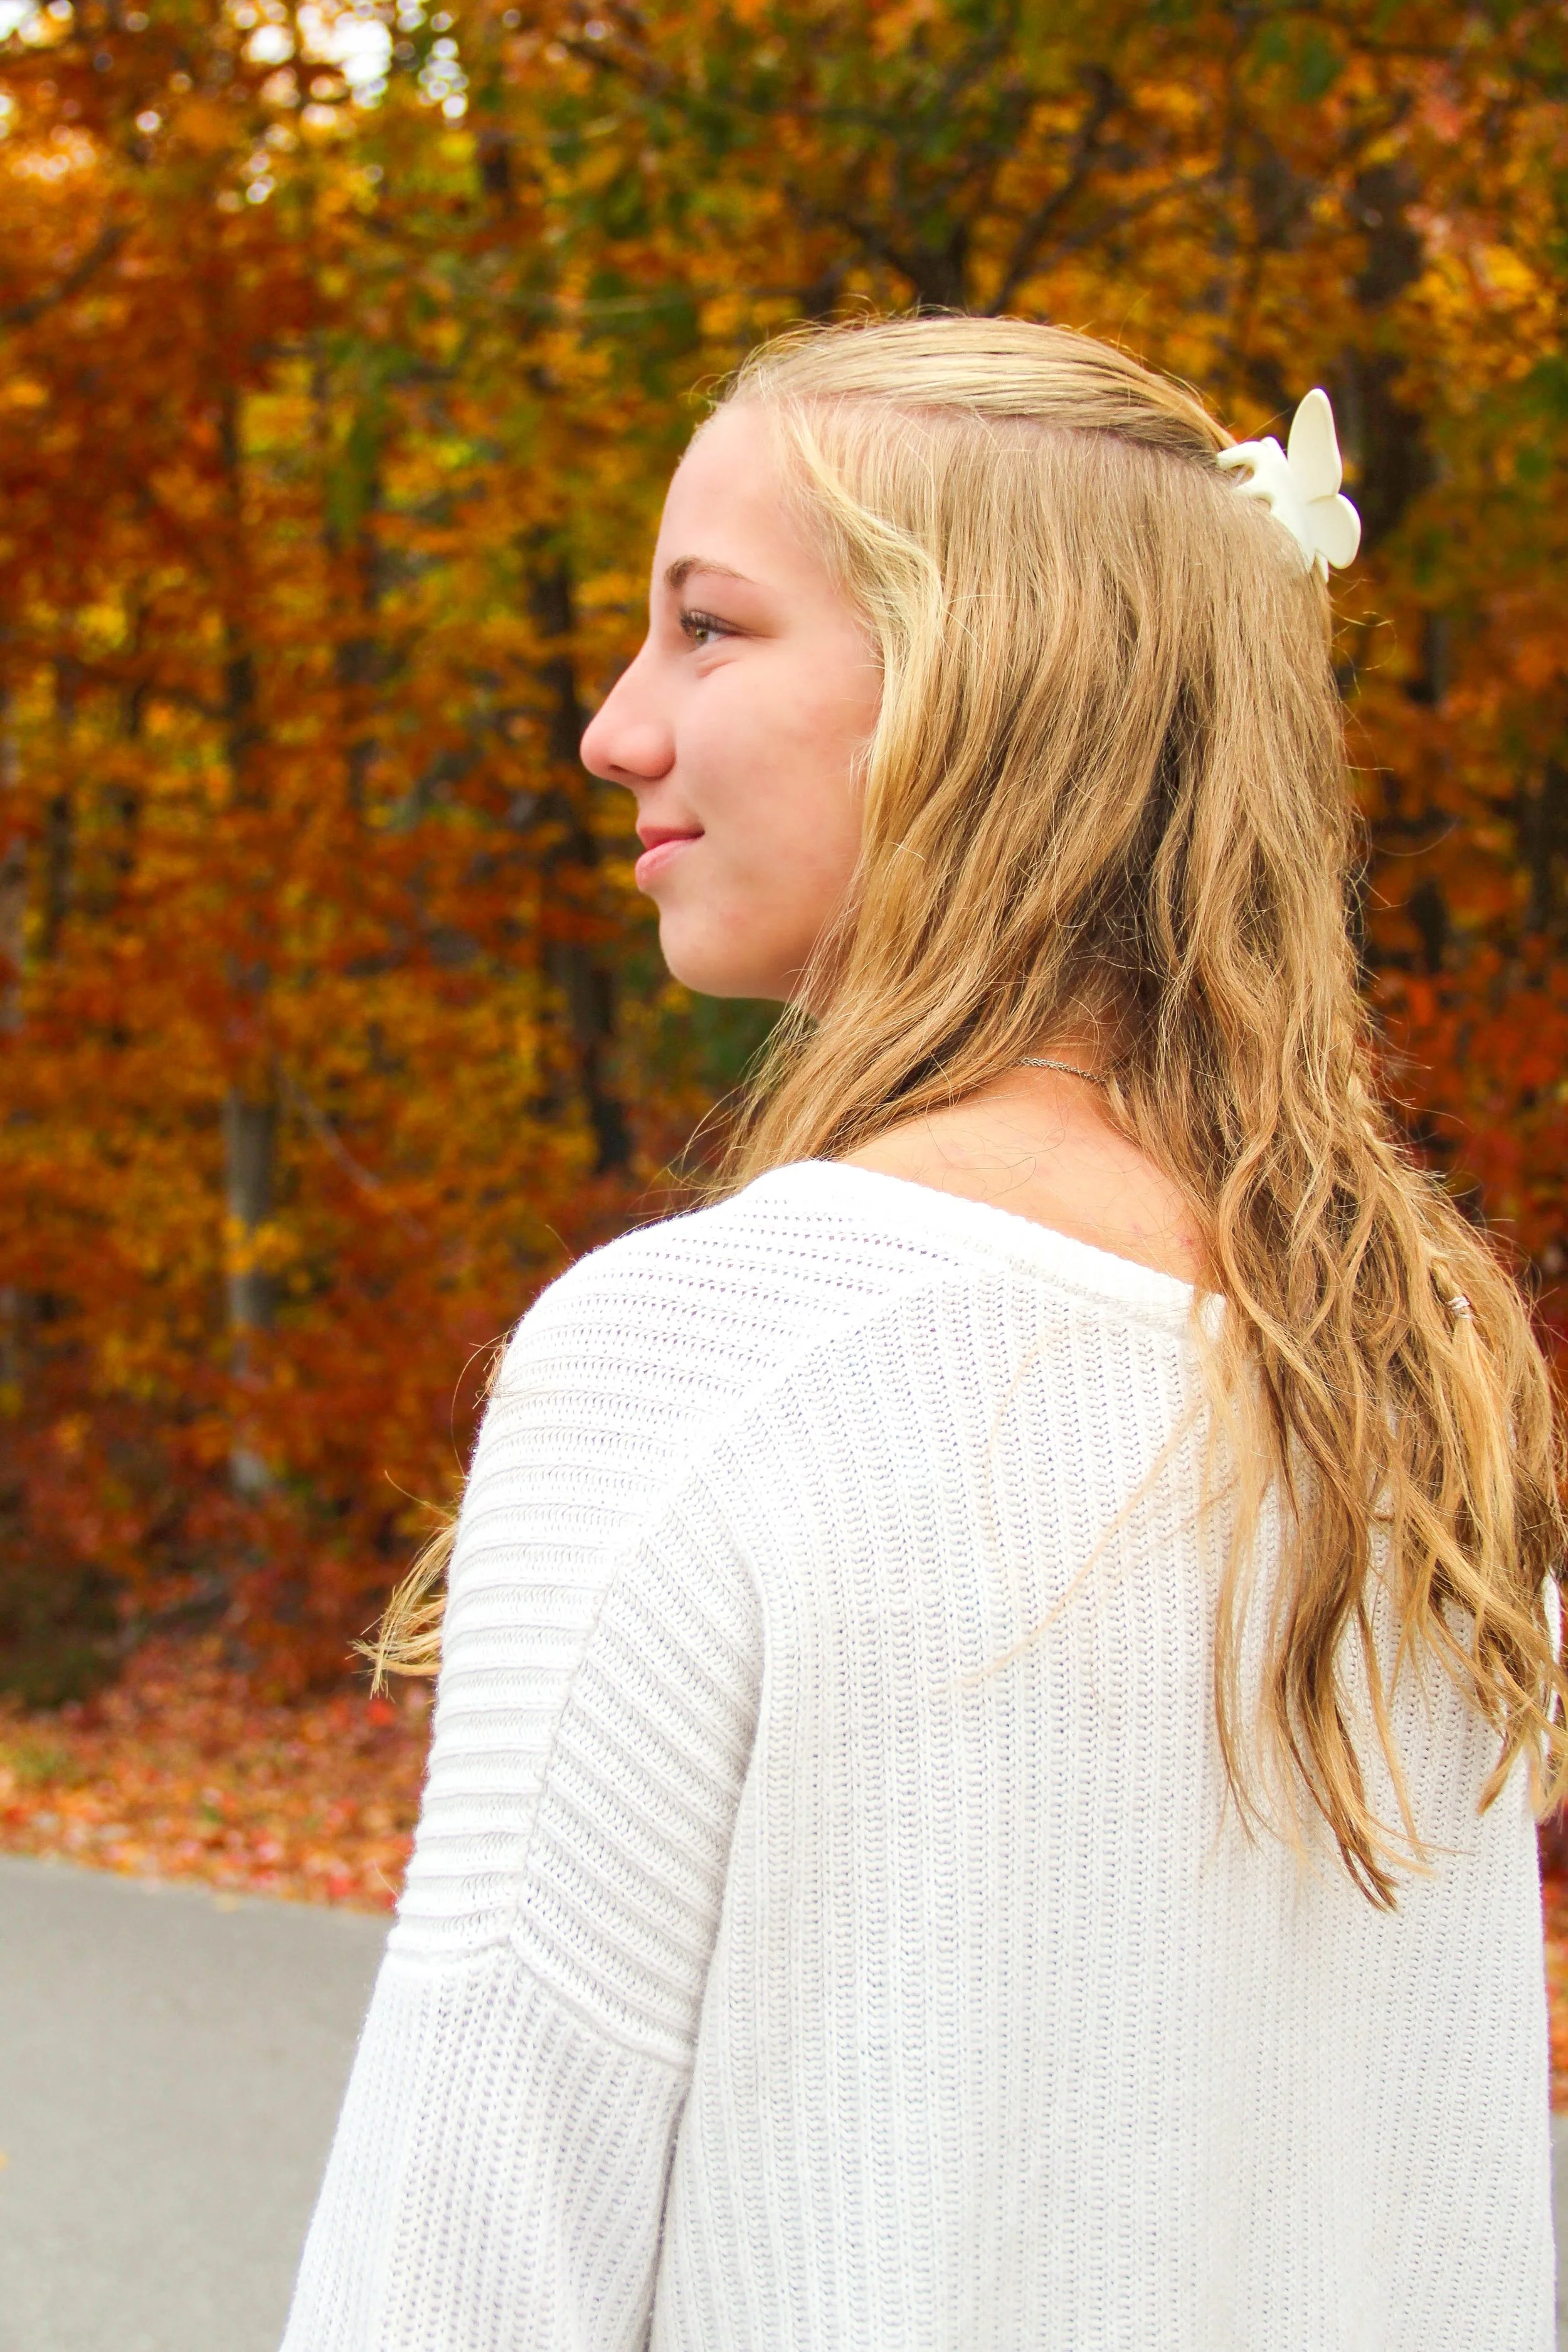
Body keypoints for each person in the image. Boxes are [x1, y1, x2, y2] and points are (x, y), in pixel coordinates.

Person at [280, 317, 1565, 2351]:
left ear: (990, 677)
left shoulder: (709, 1359)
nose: (615, 729)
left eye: (709, 629)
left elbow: (467, 2252)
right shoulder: (1406, 1375)